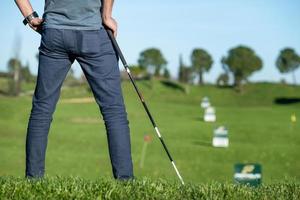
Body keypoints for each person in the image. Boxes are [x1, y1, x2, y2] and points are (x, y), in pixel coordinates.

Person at [14, 0, 134, 180]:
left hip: (54, 32)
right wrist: (107, 16)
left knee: (42, 109)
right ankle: (126, 183)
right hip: (93, 31)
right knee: (113, 111)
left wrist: (29, 15)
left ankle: (33, 180)